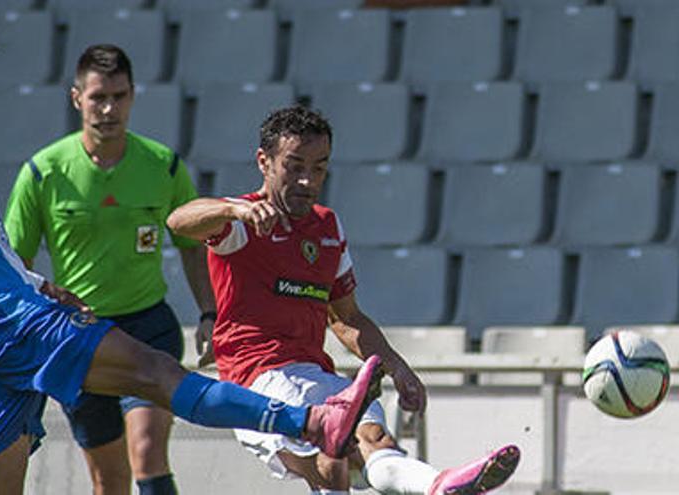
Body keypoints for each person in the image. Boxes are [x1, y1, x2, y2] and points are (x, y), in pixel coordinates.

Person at [0, 11, 389, 494]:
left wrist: (35, 281)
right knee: (160, 378)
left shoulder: (148, 162)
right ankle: (312, 420)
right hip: (16, 326)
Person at [166, 105, 521, 495]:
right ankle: (433, 484)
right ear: (264, 162)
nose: (307, 179)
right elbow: (179, 220)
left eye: (319, 167)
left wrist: (397, 367)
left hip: (319, 374)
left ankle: (434, 485)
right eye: (294, 165)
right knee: (333, 465)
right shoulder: (241, 222)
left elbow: (346, 317)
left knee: (373, 444)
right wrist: (235, 209)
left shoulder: (327, 227)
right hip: (261, 378)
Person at [3, 44, 215, 495]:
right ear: (76, 97)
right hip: (80, 335)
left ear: (133, 96)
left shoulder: (163, 165)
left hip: (147, 327)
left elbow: (194, 248)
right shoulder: (43, 172)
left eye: (118, 96)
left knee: (147, 452)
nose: (108, 108)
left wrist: (210, 313)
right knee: (110, 479)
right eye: (98, 97)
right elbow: (13, 265)